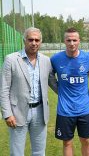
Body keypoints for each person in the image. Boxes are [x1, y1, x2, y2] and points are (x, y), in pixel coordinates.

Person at [0, 27, 58, 156]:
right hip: (17, 112)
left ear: (40, 42)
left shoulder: (46, 61)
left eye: (37, 40)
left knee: (39, 152)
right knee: (16, 153)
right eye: (30, 39)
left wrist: (71, 93)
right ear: (24, 41)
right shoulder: (11, 59)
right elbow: (3, 89)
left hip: (40, 111)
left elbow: (53, 83)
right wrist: (7, 114)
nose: (34, 43)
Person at [50, 27, 89, 156]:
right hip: (65, 109)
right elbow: (49, 75)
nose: (72, 43)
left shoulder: (88, 58)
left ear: (79, 41)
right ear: (64, 41)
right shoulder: (55, 59)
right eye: (69, 40)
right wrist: (58, 90)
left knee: (86, 140)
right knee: (67, 142)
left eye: (74, 40)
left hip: (85, 108)